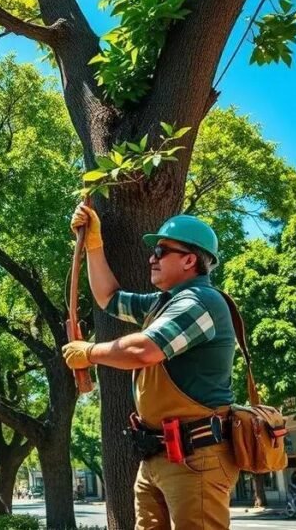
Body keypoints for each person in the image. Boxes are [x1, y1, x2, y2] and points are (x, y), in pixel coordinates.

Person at [62, 206, 238, 530]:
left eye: (161, 250)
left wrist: (90, 352)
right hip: (159, 454)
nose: (151, 258)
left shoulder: (201, 301)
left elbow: (145, 350)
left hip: (195, 457)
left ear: (190, 260)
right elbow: (109, 298)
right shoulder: (164, 304)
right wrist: (93, 244)